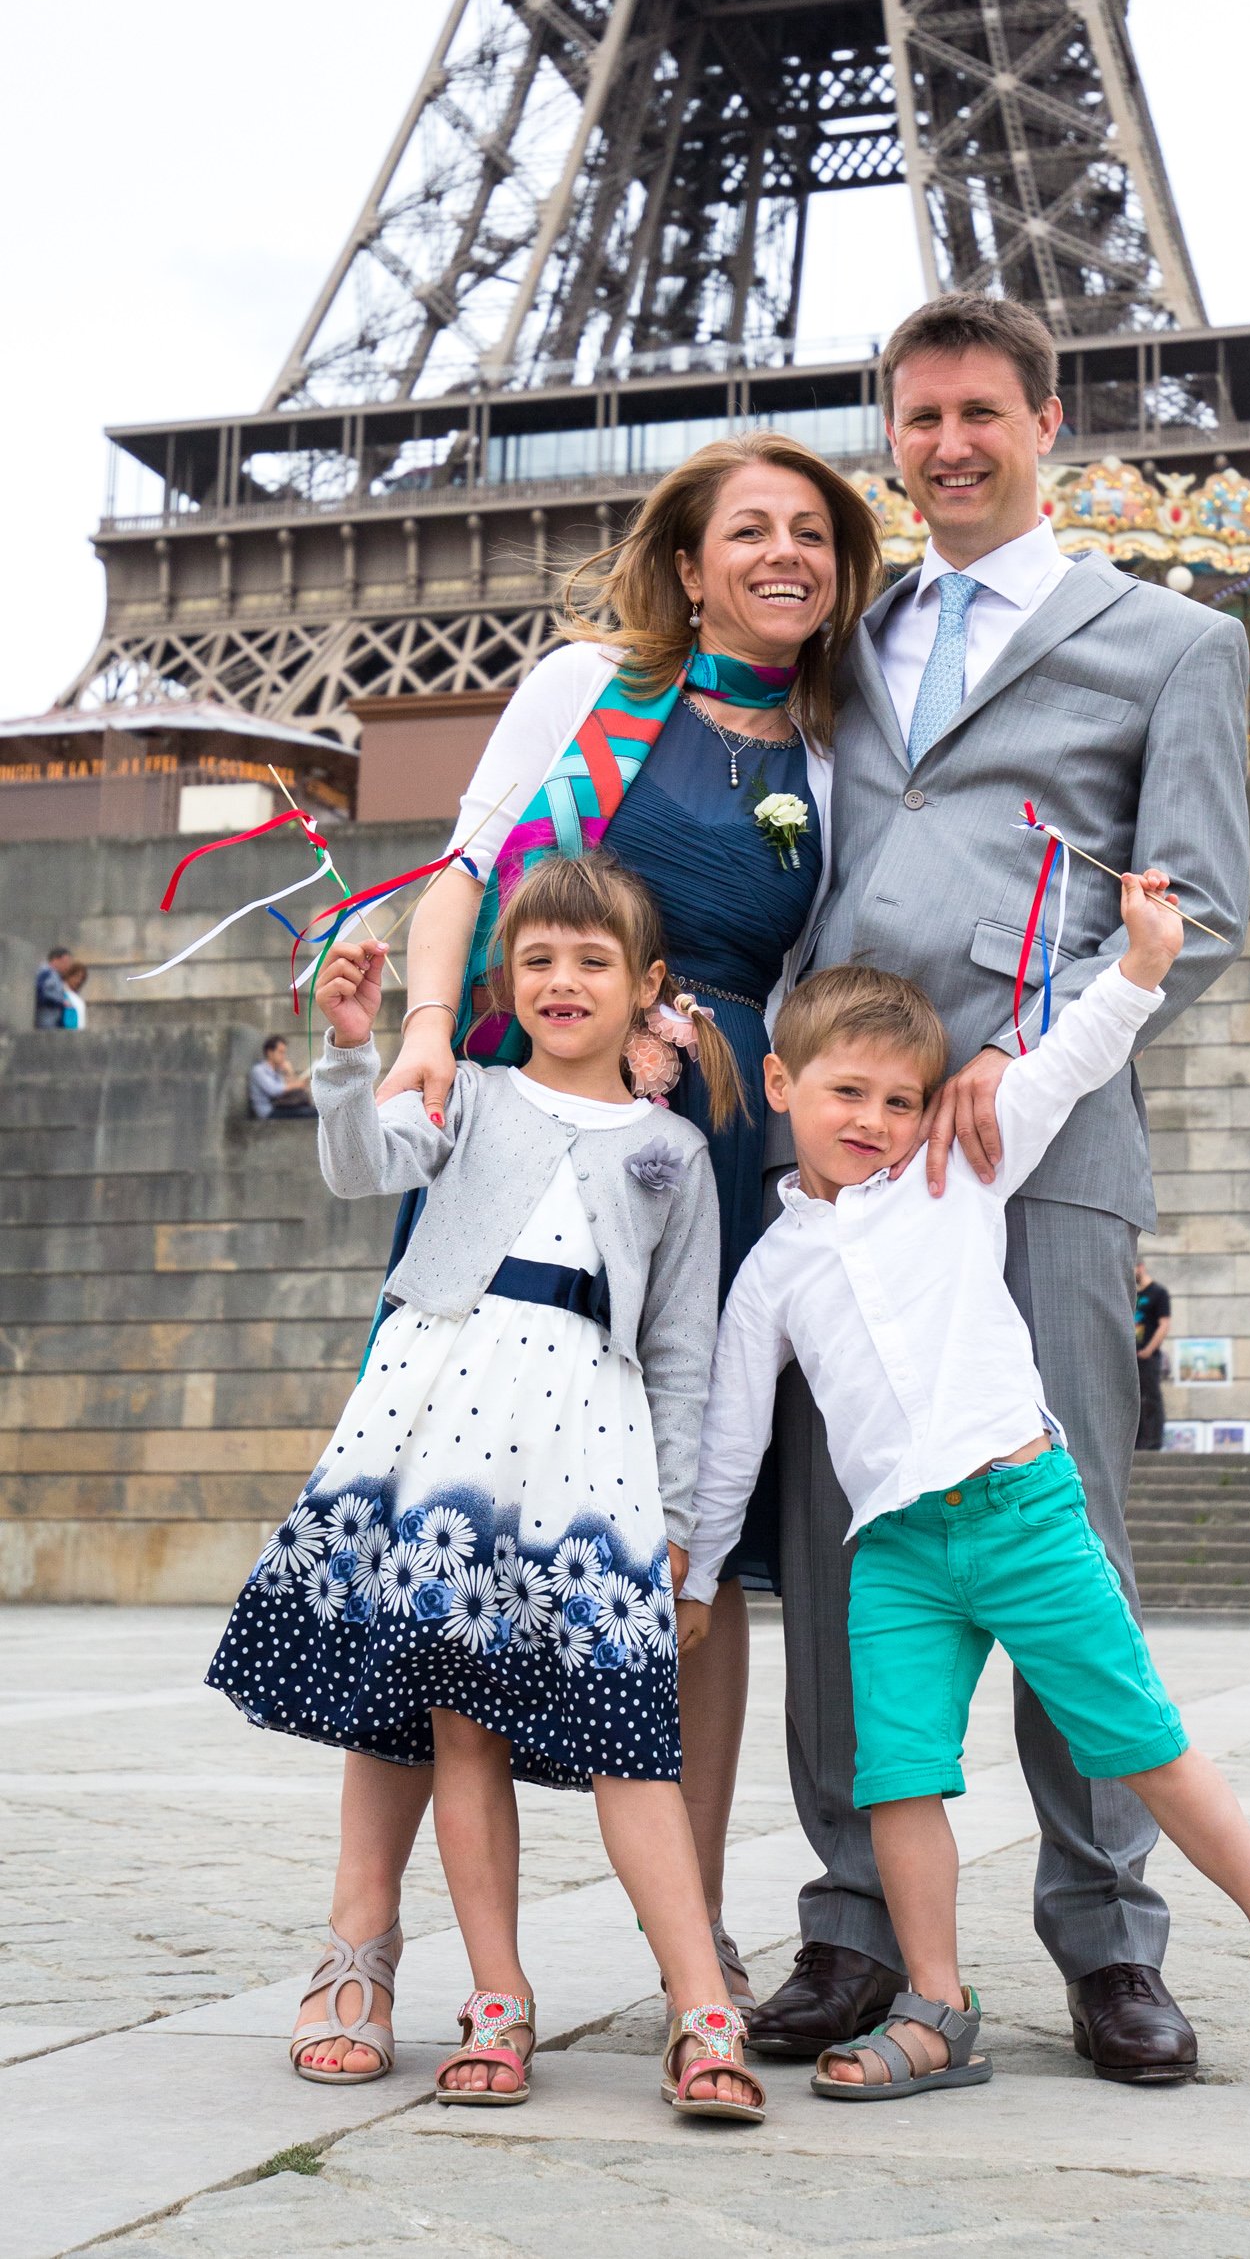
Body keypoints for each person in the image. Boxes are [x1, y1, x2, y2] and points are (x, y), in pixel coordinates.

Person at [746, 293, 1250, 2083]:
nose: (946, 443)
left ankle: (1110, 1935)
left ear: (1046, 420)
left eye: (979, 411)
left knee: (1067, 1559)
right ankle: (851, 1925)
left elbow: (1202, 904)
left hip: (1030, 1156)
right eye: (918, 416)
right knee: (843, 1542)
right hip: (841, 1163)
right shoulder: (851, 634)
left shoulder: (1172, 641)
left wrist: (1019, 1042)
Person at [681, 918, 1250, 2110]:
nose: (872, 1119)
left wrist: (1134, 968)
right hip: (897, 1554)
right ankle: (935, 2003)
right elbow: (730, 1435)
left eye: (899, 1098)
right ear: (780, 1083)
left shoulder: (955, 1171)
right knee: (898, 1778)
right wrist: (698, 1569)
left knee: (1140, 1741)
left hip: (1023, 1510)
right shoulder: (770, 1265)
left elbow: (1066, 1061)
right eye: (844, 1092)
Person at [360, 431, 881, 2014]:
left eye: (811, 531)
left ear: (840, 569)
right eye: (748, 529)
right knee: (425, 1516)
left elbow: (807, 988)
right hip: (517, 1121)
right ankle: (365, 1941)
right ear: (687, 559)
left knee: (683, 1543)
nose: (780, 553)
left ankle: (694, 1941)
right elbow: (460, 875)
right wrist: (429, 1028)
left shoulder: (834, 754)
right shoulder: (584, 685)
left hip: (696, 1149)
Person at [207, 853, 767, 2119]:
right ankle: (496, 1998)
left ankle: (700, 2004)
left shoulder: (674, 1151)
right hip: (442, 1421)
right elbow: (361, 1166)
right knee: (458, 1721)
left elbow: (681, 1353)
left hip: (589, 1450)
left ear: (647, 988)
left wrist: (684, 1531)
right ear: (501, 981)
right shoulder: (465, 1095)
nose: (561, 981)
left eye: (591, 961)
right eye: (536, 959)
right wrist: (354, 1051)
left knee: (634, 1740)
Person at [1133, 1259, 1171, 1452]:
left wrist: (1149, 1349)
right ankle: (1138, 1442)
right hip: (1132, 1358)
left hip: (1148, 1356)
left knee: (1151, 1398)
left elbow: (1164, 1324)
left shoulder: (1158, 1293)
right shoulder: (1133, 1295)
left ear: (1140, 1267)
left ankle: (1153, 1442)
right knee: (1135, 1399)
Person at [249, 1034, 316, 1120]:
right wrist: (296, 1085)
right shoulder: (258, 1070)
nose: (283, 1056)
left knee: (312, 1109)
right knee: (311, 1113)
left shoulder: (277, 1070)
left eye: (284, 1052)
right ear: (270, 1052)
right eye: (280, 1052)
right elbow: (273, 1090)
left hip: (279, 1107)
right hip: (268, 1111)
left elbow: (288, 1090)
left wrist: (290, 1073)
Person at [34, 946, 75, 1029]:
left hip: (52, 1023)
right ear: (55, 960)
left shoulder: (55, 975)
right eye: (66, 962)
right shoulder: (46, 973)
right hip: (45, 1023)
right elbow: (40, 994)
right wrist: (59, 1002)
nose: (68, 966)